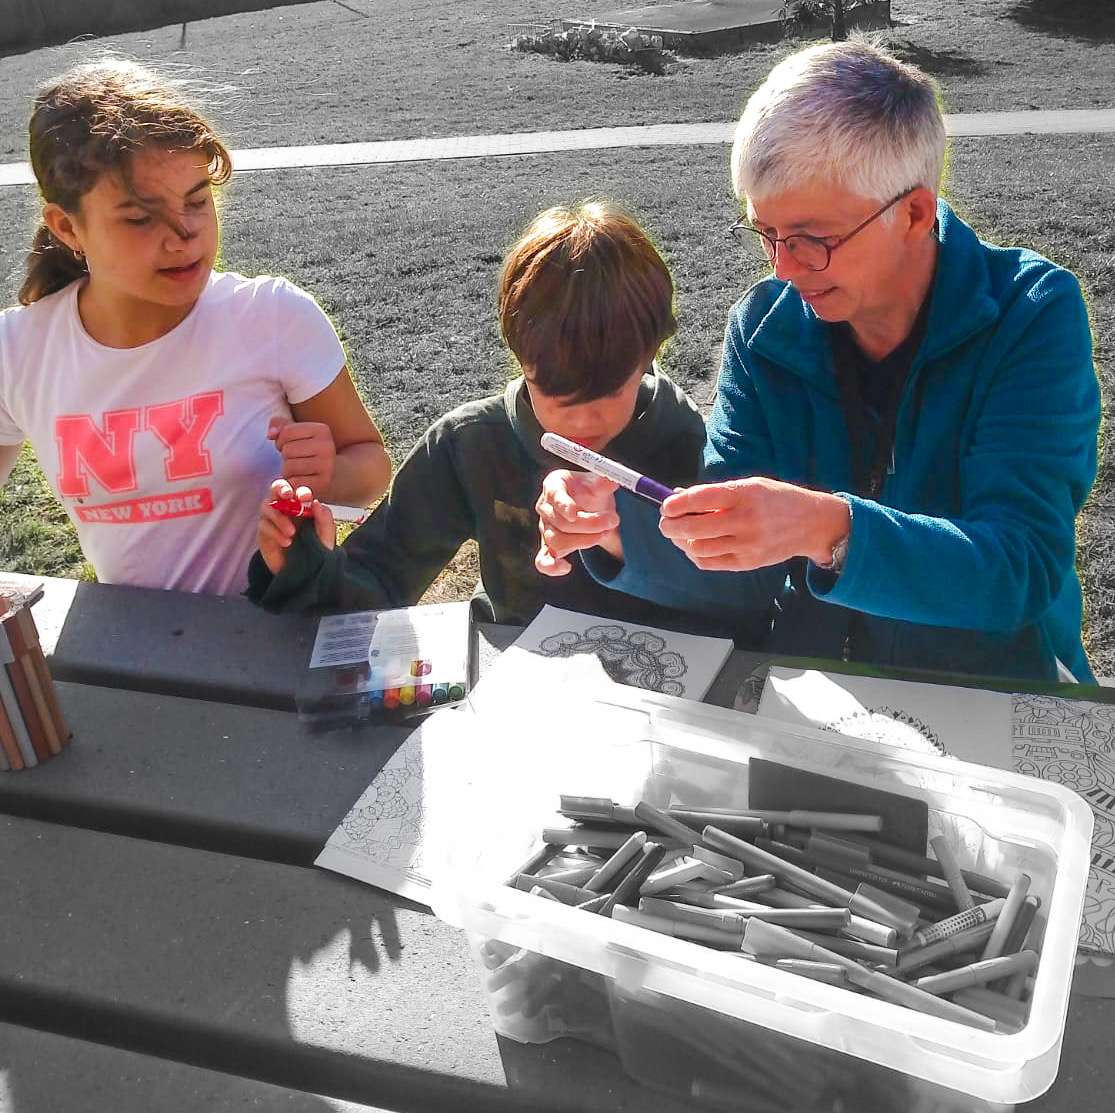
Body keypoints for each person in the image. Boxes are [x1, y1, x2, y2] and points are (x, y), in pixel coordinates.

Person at [534, 40, 1102, 683]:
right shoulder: (765, 328)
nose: (783, 267)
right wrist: (612, 531)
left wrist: (829, 528)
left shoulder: (1029, 316)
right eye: (767, 234)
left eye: (814, 240)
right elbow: (742, 570)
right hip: (819, 699)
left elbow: (1018, 569)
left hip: (992, 690)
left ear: (914, 212)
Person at [0, 59, 390, 595]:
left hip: (281, 631)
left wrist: (328, 476)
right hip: (129, 656)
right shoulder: (18, 350)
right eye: (140, 217)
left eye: (198, 201)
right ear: (68, 226)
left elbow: (370, 468)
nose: (183, 234)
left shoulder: (273, 316)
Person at [248, 201, 717, 631]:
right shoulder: (470, 443)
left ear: (653, 351)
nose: (582, 425)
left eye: (609, 395)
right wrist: (308, 567)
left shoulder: (690, 441)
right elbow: (383, 574)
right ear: (518, 356)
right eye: (555, 396)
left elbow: (736, 597)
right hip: (516, 683)